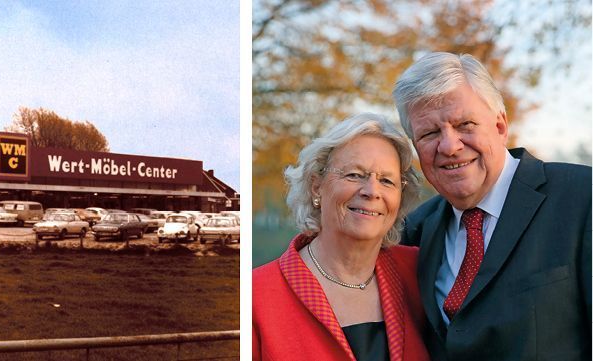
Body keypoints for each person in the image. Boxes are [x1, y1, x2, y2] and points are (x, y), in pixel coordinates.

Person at [393, 52, 591, 360]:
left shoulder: (582, 197)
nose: (449, 146)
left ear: (500, 126)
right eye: (430, 133)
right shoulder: (414, 231)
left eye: (465, 124)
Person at [253, 113, 429, 361]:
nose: (371, 191)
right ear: (316, 186)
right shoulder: (257, 296)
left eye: (387, 180)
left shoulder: (420, 272)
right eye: (354, 175)